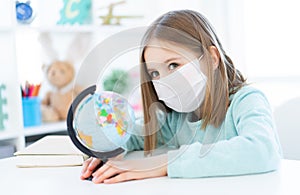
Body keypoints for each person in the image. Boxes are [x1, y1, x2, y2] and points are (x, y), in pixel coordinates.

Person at [80, 9, 282, 184]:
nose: (165, 80)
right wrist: (111, 149)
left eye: (173, 65)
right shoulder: (175, 119)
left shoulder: (247, 101)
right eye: (155, 74)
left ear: (212, 58)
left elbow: (262, 150)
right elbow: (135, 134)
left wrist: (166, 163)